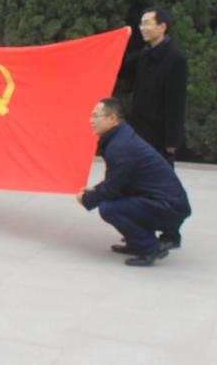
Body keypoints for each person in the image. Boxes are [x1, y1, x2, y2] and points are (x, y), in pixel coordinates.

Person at [78, 98, 191, 267]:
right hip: (166, 202)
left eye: (96, 116)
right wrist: (95, 190)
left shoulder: (120, 146)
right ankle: (136, 243)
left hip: (168, 208)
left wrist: (86, 199)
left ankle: (150, 247)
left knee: (109, 208)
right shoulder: (121, 137)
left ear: (112, 118)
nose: (91, 120)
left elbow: (112, 188)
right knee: (114, 201)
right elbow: (118, 181)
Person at [125, 7, 188, 164]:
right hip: (139, 131)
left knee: (160, 175)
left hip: (160, 136)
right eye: (141, 24)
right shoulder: (144, 54)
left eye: (147, 23)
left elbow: (176, 102)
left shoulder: (176, 59)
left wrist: (172, 140)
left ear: (162, 27)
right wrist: (122, 40)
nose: (142, 28)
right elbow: (121, 69)